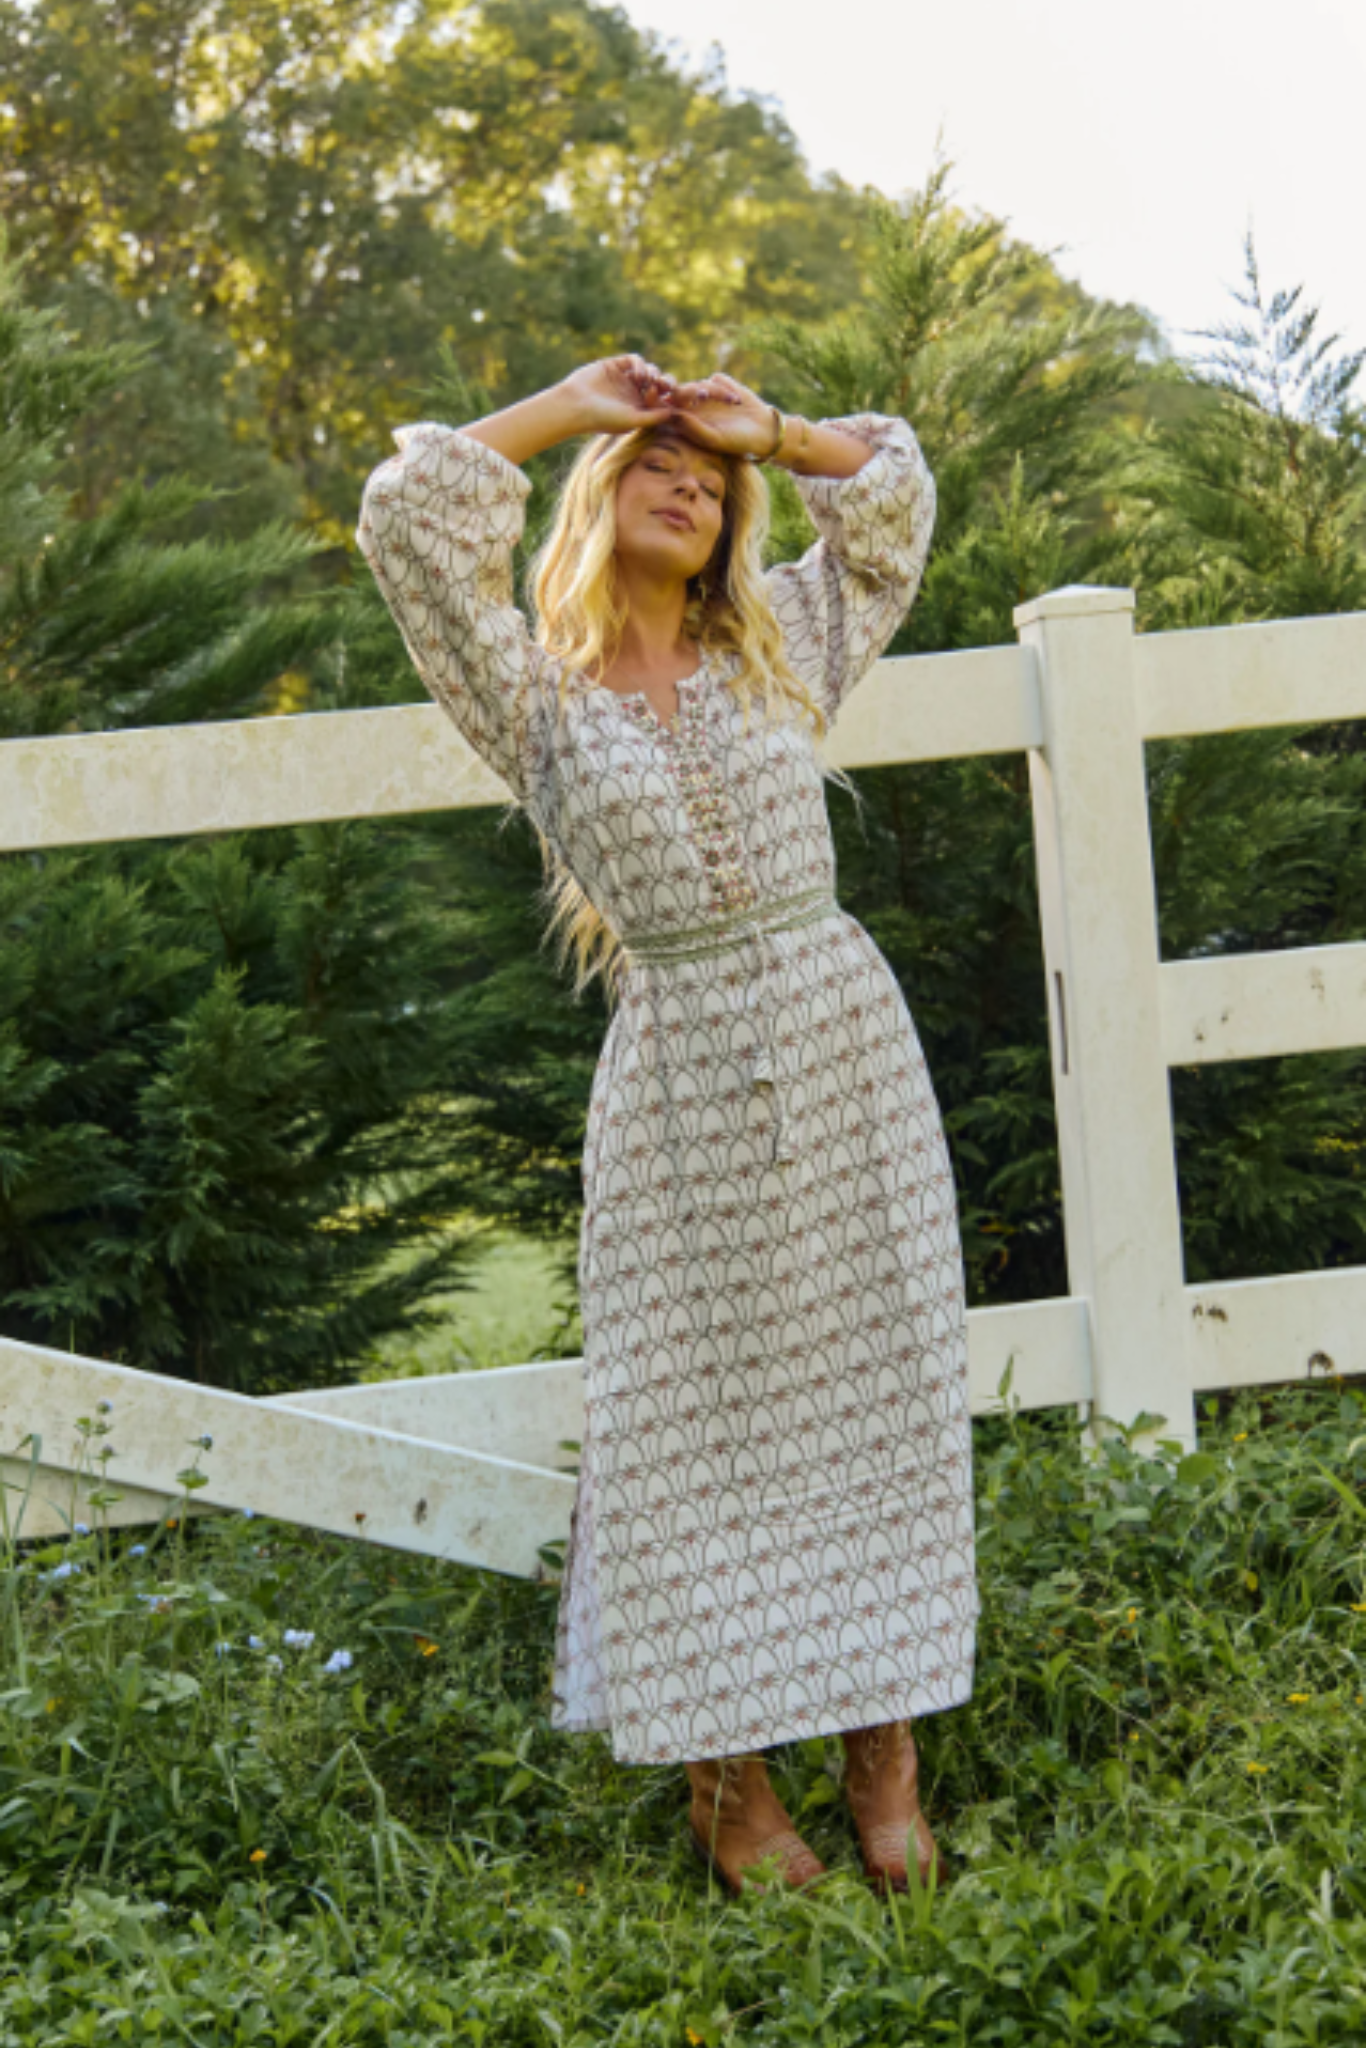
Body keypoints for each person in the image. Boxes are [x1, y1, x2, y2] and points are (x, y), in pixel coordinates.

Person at [357, 355, 978, 1896]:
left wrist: (767, 429)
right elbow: (408, 519)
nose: (689, 484)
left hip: (843, 1049)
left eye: (713, 480)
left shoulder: (782, 651)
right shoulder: (533, 695)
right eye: (659, 461)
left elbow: (888, 503)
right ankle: (726, 1782)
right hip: (680, 1075)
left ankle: (882, 1753)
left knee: (877, 1385)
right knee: (690, 1426)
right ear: (601, 489)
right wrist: (575, 400)